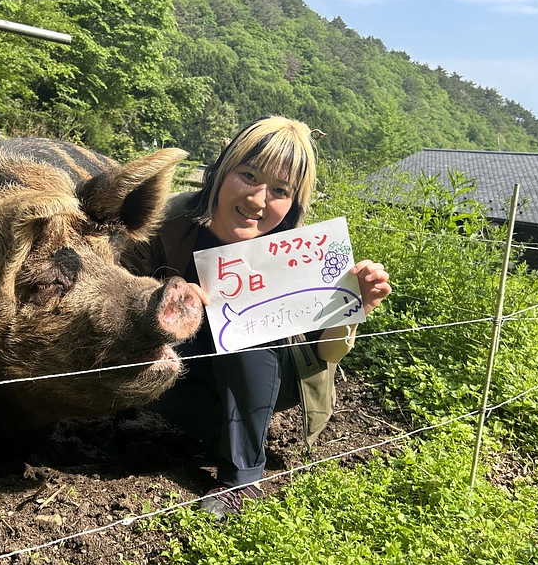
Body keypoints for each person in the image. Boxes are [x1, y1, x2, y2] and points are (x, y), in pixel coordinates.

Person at [121, 115, 391, 518]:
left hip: (266, 380)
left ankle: (242, 477)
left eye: (280, 190)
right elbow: (120, 295)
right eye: (248, 175)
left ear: (295, 201)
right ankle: (221, 433)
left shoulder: (302, 252)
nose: (258, 200)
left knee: (247, 319)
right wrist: (167, 297)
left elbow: (324, 355)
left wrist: (351, 307)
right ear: (220, 171)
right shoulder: (165, 223)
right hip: (174, 365)